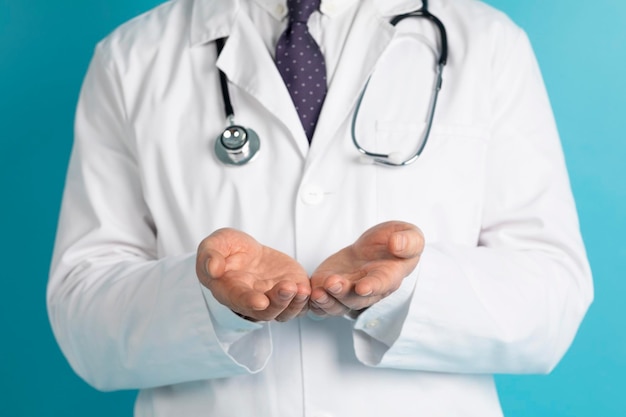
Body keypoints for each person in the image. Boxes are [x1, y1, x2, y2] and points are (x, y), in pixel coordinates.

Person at [47, 0, 593, 416]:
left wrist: (402, 292)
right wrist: (213, 300)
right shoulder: (129, 57)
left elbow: (552, 305)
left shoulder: (489, 43)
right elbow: (83, 325)